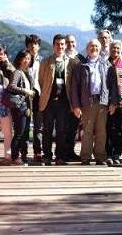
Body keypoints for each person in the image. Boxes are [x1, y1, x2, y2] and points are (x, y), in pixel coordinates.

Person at [70, 39, 119, 165]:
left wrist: (113, 102)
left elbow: (113, 85)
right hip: (87, 101)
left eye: (96, 46)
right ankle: (85, 157)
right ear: (87, 49)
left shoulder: (107, 65)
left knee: (101, 130)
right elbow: (74, 87)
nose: (94, 48)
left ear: (100, 49)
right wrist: (76, 105)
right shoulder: (81, 66)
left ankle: (100, 157)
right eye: (91, 46)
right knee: (87, 130)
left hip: (103, 101)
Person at [38, 34, 77, 165]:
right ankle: (47, 155)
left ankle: (60, 156)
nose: (60, 46)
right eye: (57, 44)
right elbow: (41, 80)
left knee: (62, 130)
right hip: (49, 100)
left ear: (65, 45)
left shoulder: (71, 62)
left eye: (62, 44)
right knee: (47, 130)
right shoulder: (46, 61)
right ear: (53, 45)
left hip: (64, 102)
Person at [7, 49, 36, 166]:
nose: (27, 61)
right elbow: (11, 87)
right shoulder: (18, 72)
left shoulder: (27, 72)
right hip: (19, 108)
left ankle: (19, 157)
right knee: (19, 133)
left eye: (29, 59)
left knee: (24, 133)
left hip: (26, 107)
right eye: (25, 58)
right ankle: (14, 158)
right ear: (19, 59)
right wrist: (25, 91)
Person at [105, 40, 122, 165]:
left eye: (118, 48)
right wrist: (110, 102)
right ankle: (108, 153)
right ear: (109, 49)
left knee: (119, 129)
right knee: (108, 128)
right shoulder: (105, 64)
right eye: (113, 48)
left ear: (121, 50)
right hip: (108, 103)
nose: (115, 50)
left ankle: (117, 153)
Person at [65, 34, 84, 161]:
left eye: (72, 42)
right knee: (62, 127)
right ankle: (61, 151)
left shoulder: (81, 58)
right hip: (63, 97)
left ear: (76, 43)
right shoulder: (60, 57)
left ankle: (70, 151)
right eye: (67, 42)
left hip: (77, 97)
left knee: (73, 127)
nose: (70, 44)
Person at [25, 34, 43, 163]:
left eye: (35, 44)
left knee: (38, 126)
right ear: (27, 46)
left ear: (39, 46)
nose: (33, 46)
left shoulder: (43, 61)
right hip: (25, 95)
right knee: (24, 125)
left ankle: (38, 152)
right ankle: (23, 152)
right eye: (31, 44)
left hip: (39, 95)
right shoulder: (23, 60)